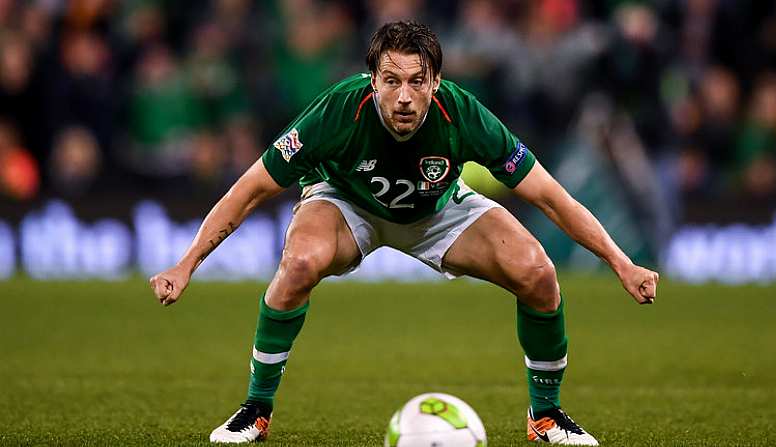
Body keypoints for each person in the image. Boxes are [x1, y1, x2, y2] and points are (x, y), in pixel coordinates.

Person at [149, 21, 659, 446]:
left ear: (436, 82)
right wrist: (186, 262)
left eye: (418, 81)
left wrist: (622, 263)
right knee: (299, 263)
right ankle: (255, 412)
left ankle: (545, 416)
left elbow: (551, 196)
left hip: (435, 211)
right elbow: (249, 190)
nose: (404, 97)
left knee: (538, 271)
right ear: (372, 80)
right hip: (346, 201)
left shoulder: (462, 115)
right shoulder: (336, 112)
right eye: (391, 81)